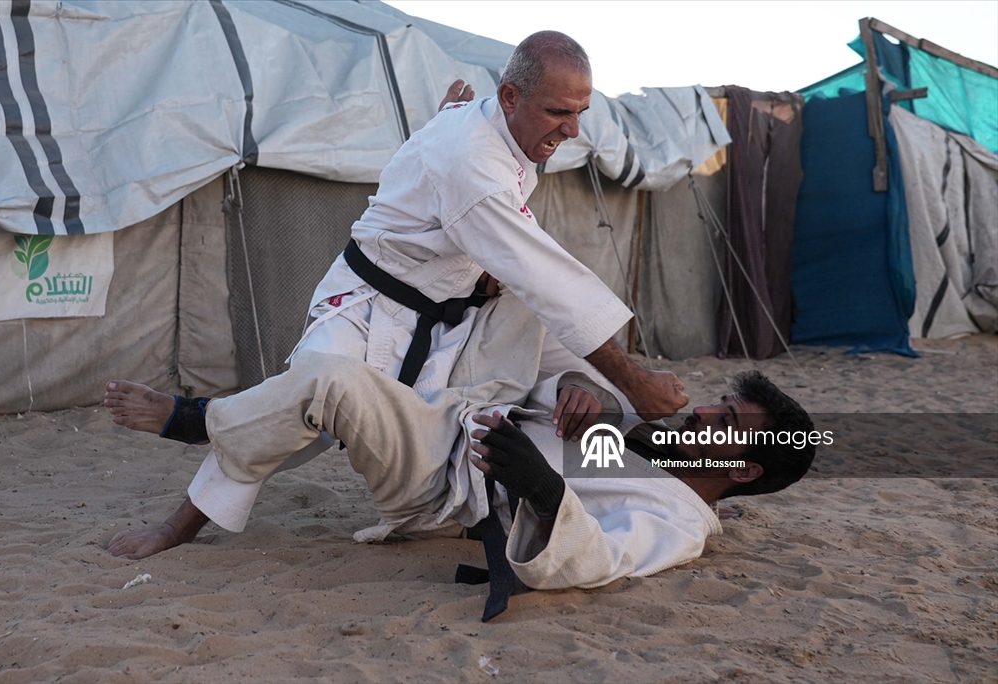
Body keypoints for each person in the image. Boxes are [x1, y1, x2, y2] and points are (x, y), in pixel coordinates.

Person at [105, 30, 689, 556]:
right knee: (305, 401)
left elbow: (486, 229)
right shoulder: (472, 160)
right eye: (559, 112)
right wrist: (638, 375)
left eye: (582, 112)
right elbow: (545, 276)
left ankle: (689, 474)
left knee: (598, 375)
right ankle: (190, 454)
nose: (572, 130)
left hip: (453, 317)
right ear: (510, 98)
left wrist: (478, 265)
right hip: (365, 304)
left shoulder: (490, 126)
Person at [106, 322, 814, 620]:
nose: (704, 418)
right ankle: (459, 140)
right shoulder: (651, 446)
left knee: (331, 380)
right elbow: (567, 415)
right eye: (717, 405)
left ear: (743, 471)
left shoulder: (678, 521)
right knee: (533, 292)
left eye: (726, 424)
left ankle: (198, 419)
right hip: (465, 412)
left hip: (444, 482)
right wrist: (579, 391)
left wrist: (543, 489)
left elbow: (599, 557)